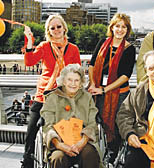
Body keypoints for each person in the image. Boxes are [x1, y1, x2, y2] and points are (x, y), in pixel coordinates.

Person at [21, 14, 81, 168]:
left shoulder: (73, 49)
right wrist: (28, 42)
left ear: (64, 28)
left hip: (65, 96)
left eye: (58, 26)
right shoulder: (44, 46)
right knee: (31, 130)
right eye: (52, 28)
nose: (56, 30)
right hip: (44, 95)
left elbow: (79, 73)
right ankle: (27, 161)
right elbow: (29, 62)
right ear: (48, 31)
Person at [88, 13, 136, 164]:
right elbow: (92, 64)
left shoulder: (129, 49)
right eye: (117, 26)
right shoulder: (103, 43)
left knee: (116, 125)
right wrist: (93, 84)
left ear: (127, 30)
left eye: (124, 27)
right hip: (99, 91)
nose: (120, 30)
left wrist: (104, 89)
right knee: (101, 122)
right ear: (112, 27)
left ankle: (113, 157)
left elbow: (124, 76)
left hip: (119, 95)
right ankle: (102, 152)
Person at [41, 64, 100, 168]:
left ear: (81, 82)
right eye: (69, 80)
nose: (73, 84)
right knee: (58, 158)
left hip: (83, 141)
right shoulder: (52, 98)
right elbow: (48, 126)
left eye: (77, 80)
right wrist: (59, 145)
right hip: (59, 143)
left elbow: (92, 123)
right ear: (63, 81)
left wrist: (82, 142)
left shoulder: (87, 98)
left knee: (90, 154)